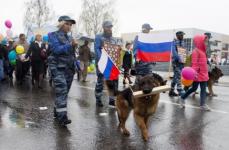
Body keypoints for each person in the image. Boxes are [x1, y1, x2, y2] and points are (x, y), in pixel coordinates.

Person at [48, 16, 77, 126]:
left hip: (69, 69)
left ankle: (57, 110)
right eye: (67, 24)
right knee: (62, 90)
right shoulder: (52, 35)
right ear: (61, 24)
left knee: (64, 93)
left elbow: (72, 54)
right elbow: (56, 50)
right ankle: (62, 117)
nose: (69, 26)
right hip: (58, 68)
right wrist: (70, 45)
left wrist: (77, 64)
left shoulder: (70, 38)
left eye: (70, 25)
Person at [180, 35, 211, 111]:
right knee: (194, 88)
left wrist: (208, 66)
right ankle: (183, 97)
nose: (206, 43)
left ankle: (202, 105)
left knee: (203, 89)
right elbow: (194, 64)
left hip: (204, 74)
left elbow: (204, 63)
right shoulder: (195, 51)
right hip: (197, 74)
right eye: (205, 41)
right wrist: (195, 73)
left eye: (207, 41)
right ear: (200, 42)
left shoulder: (203, 51)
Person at [94, 21, 120, 107]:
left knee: (112, 82)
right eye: (108, 27)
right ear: (103, 27)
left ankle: (112, 100)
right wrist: (101, 61)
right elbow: (97, 49)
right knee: (101, 81)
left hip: (111, 64)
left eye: (110, 27)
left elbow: (116, 51)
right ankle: (98, 99)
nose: (109, 29)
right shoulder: (98, 37)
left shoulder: (113, 39)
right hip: (102, 63)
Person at [169, 31, 187, 97]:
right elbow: (174, 52)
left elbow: (184, 52)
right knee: (179, 75)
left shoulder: (183, 43)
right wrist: (178, 58)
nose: (182, 36)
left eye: (183, 35)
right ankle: (180, 90)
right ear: (177, 35)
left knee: (175, 77)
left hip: (182, 62)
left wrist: (184, 60)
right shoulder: (174, 42)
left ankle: (171, 91)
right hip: (176, 62)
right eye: (181, 35)